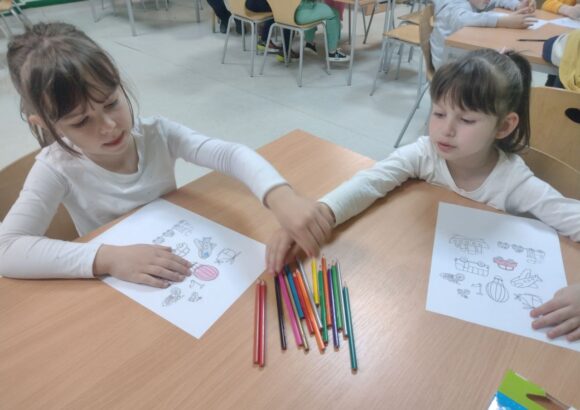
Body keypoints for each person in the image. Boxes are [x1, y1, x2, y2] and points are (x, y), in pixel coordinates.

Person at [266, 49, 580, 340]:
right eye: (439, 113)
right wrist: (321, 214)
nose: (446, 129)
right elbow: (371, 181)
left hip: (479, 318)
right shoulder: (426, 152)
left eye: (466, 120)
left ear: (504, 126)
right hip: (423, 291)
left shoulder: (514, 182)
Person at [0, 22, 332, 288]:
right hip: (121, 284)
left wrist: (280, 195)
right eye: (81, 121)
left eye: (111, 103)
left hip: (177, 261)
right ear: (44, 124)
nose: (109, 126)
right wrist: (108, 258)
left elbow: (230, 155)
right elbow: (7, 249)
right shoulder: (56, 168)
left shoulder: (157, 133)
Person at [430, 0, 537, 69]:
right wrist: (504, 21)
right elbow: (462, 20)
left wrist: (518, 5)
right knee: (503, 70)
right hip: (449, 66)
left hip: (465, 56)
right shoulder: (451, 4)